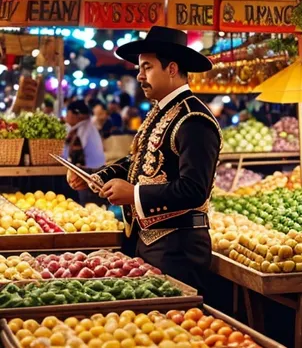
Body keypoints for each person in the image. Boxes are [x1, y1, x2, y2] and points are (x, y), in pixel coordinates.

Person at [66, 26, 221, 294]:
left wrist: (135, 194)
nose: (139, 76)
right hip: (151, 242)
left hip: (179, 247)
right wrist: (96, 176)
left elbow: (194, 190)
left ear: (172, 69)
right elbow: (138, 161)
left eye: (146, 67)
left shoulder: (194, 119)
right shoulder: (162, 112)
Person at [64, 99, 106, 207]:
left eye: (67, 113)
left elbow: (73, 154)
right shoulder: (87, 127)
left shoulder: (82, 130)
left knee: (87, 208)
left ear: (76, 114)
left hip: (90, 177)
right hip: (97, 174)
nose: (66, 117)